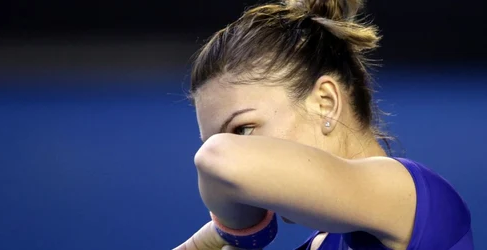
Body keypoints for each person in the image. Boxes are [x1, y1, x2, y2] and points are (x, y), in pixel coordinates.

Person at [174, 0, 473, 249]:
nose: (215, 180)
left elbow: (218, 159)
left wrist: (237, 229)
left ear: (325, 102)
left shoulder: (406, 195)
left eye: (243, 129)